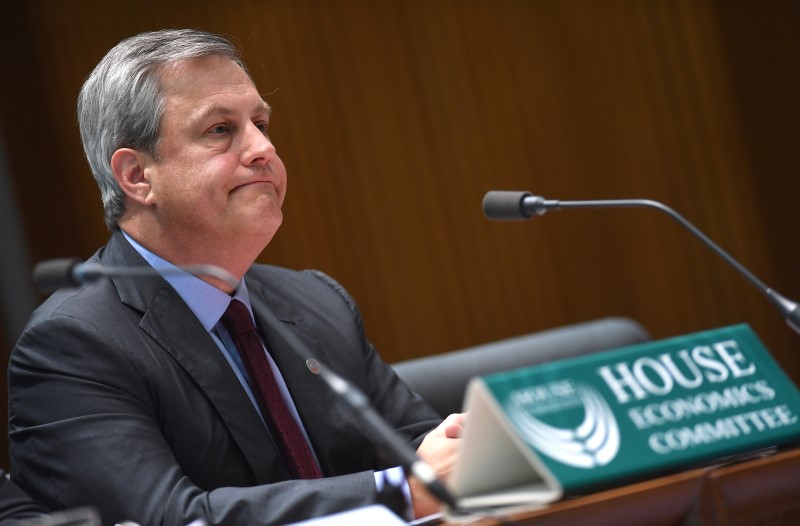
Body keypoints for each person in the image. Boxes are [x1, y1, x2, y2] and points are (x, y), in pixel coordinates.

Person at [8, 29, 464, 525]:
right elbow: (170, 518)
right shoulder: (74, 344)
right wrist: (394, 492)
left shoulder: (316, 301)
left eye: (261, 123)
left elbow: (421, 450)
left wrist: (471, 452)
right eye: (220, 130)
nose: (263, 148)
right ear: (137, 176)